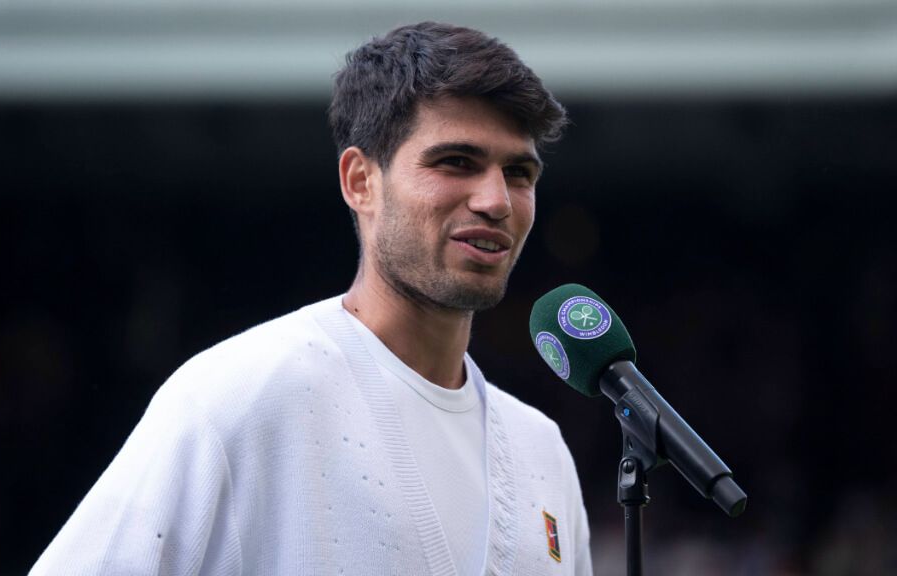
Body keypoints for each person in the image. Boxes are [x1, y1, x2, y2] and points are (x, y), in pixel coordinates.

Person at [31, 21, 591, 576]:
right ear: (360, 181)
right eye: (456, 163)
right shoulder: (240, 394)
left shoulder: (541, 453)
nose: (496, 200)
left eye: (518, 172)